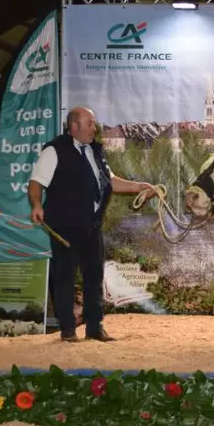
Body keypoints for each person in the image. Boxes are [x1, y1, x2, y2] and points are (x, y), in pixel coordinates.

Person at [28, 106, 156, 342]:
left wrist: (139, 186)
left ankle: (94, 327)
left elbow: (111, 181)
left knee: (94, 276)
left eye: (94, 123)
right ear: (73, 127)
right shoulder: (54, 151)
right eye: (89, 123)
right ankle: (67, 329)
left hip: (91, 225)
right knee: (65, 276)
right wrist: (36, 205)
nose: (94, 128)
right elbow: (36, 183)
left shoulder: (96, 150)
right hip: (64, 227)